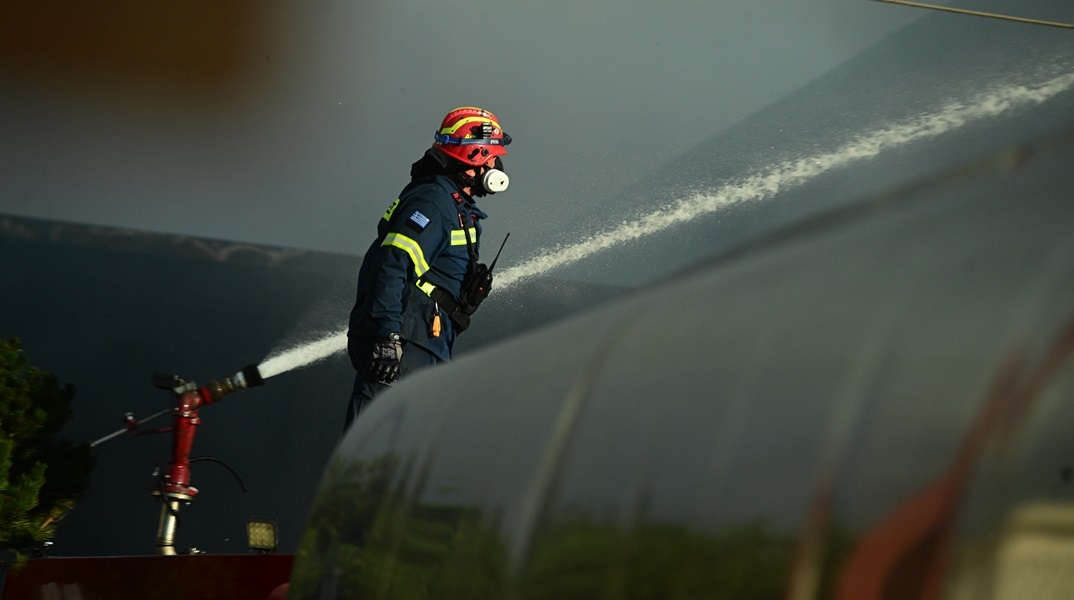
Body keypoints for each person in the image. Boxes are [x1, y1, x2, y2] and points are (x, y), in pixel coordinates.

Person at [344, 106, 512, 429]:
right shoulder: (434, 203)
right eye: (493, 157)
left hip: (426, 344)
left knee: (405, 453)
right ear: (476, 157)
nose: (497, 166)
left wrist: (461, 301)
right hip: (405, 346)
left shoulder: (455, 207)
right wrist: (388, 336)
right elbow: (392, 264)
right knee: (374, 448)